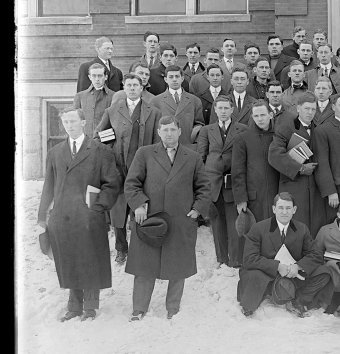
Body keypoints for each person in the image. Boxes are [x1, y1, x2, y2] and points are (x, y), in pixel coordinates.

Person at [124, 116, 211, 320]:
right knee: (145, 266)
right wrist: (139, 204)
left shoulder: (192, 157)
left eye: (173, 130)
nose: (169, 134)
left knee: (177, 265)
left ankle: (173, 308)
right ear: (158, 132)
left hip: (180, 220)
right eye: (165, 130)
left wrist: (197, 210)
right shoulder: (144, 153)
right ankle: (139, 309)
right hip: (150, 219)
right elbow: (132, 183)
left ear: (180, 132)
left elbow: (204, 187)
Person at [38, 107, 120, 322]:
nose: (70, 125)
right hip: (64, 216)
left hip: (90, 217)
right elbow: (49, 186)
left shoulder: (101, 151)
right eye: (66, 122)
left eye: (74, 121)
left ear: (83, 123)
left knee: (91, 259)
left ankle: (91, 306)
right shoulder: (56, 152)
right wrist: (41, 217)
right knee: (69, 259)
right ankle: (74, 306)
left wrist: (98, 207)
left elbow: (112, 184)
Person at [94, 73, 162, 264]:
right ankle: (121, 249)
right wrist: (110, 153)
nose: (132, 88)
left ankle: (140, 248)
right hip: (119, 168)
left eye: (136, 85)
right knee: (119, 211)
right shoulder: (113, 110)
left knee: (141, 208)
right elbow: (99, 137)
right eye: (129, 85)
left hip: (143, 168)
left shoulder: (153, 112)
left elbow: (158, 143)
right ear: (124, 87)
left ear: (142, 88)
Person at [237, 193, 334, 318]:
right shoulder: (258, 228)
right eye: (281, 208)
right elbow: (249, 259)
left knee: (324, 271)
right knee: (255, 276)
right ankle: (261, 297)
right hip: (266, 274)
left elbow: (316, 254)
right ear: (274, 209)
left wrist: (298, 266)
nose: (284, 212)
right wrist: (277, 266)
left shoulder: (301, 229)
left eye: (288, 208)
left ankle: (299, 298)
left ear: (294, 210)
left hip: (291, 273)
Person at [198, 96, 249, 267]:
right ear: (215, 110)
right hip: (213, 182)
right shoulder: (207, 130)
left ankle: (235, 259)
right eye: (220, 108)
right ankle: (221, 258)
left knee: (234, 222)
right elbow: (201, 157)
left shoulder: (242, 129)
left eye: (226, 108)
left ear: (232, 109)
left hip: (233, 181)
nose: (223, 111)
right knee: (217, 223)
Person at [269, 91, 324, 235]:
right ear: (298, 108)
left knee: (314, 230)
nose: (310, 112)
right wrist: (300, 168)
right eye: (307, 108)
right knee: (294, 229)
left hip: (315, 190)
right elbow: (274, 155)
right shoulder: (285, 128)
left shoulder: (320, 128)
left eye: (313, 109)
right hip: (294, 187)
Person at [232, 100, 279, 223]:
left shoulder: (279, 136)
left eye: (263, 115)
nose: (260, 119)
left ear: (271, 114)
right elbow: (238, 172)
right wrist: (241, 199)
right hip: (254, 198)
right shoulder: (243, 138)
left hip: (278, 196)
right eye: (256, 116)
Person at [149, 65, 205, 149]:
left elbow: (199, 124)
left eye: (177, 76)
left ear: (182, 78)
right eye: (171, 77)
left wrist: (193, 140)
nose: (174, 79)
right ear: (165, 79)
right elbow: (152, 128)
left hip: (187, 146)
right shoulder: (155, 101)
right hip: (164, 147)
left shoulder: (194, 100)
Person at [73, 63, 115, 138]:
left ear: (105, 77)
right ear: (89, 77)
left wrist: (104, 141)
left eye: (100, 76)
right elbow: (75, 122)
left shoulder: (114, 96)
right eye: (94, 76)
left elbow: (115, 123)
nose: (97, 79)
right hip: (85, 142)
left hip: (105, 142)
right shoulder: (80, 96)